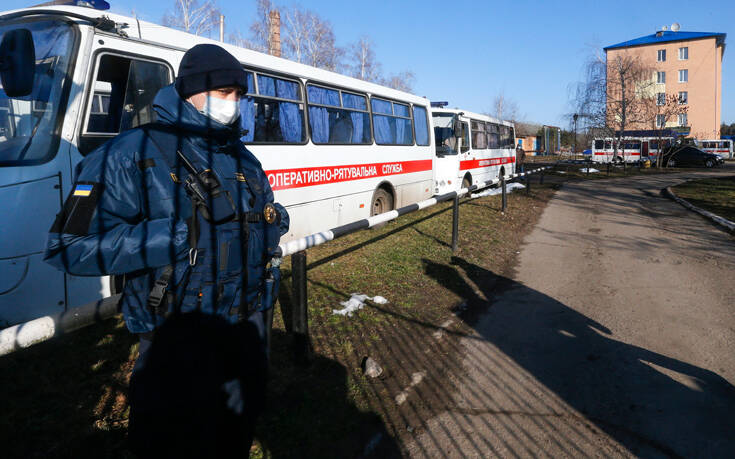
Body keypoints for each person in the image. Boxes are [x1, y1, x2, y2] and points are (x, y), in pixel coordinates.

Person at [44, 44, 289, 455]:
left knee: (234, 440)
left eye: (238, 94)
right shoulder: (128, 154)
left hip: (244, 335)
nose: (233, 103)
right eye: (223, 92)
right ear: (189, 90)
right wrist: (170, 238)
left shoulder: (244, 159)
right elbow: (67, 247)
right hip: (177, 347)